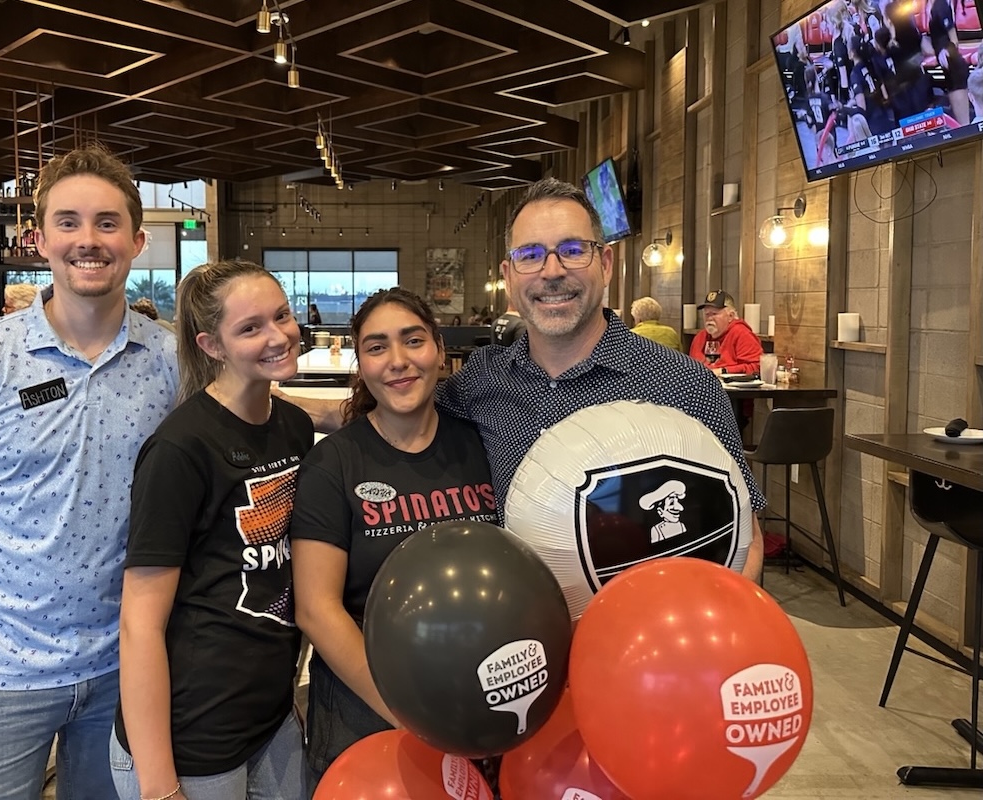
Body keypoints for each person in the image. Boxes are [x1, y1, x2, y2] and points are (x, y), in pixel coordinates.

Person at [286, 178, 764, 581]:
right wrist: (281, 408)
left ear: (606, 264)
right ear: (510, 276)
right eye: (531, 255)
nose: (551, 271)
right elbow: (401, 413)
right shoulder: (482, 379)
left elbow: (746, 538)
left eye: (572, 250)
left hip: (638, 643)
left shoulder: (682, 384)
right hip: (517, 643)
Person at [0, 144, 180, 799]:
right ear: (40, 239)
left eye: (107, 223)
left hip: (126, 661)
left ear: (136, 242)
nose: (88, 240)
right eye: (68, 222)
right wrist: (10, 555)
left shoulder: (170, 364)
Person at [111, 260, 313, 800]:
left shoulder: (292, 425)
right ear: (212, 345)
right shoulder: (181, 449)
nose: (279, 336)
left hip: (269, 716)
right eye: (251, 328)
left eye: (282, 316)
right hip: (190, 733)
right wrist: (159, 786)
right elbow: (139, 624)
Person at [290, 288, 497, 788]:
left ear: (440, 351)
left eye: (413, 340)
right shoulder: (333, 463)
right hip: (368, 711)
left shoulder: (483, 444)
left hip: (479, 703)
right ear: (360, 365)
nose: (398, 361)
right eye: (377, 347)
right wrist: (410, 713)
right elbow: (316, 609)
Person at [688, 290, 763, 376]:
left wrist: (723, 371)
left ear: (730, 316)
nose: (709, 318)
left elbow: (756, 367)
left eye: (714, 314)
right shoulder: (700, 337)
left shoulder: (742, 334)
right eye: (706, 314)